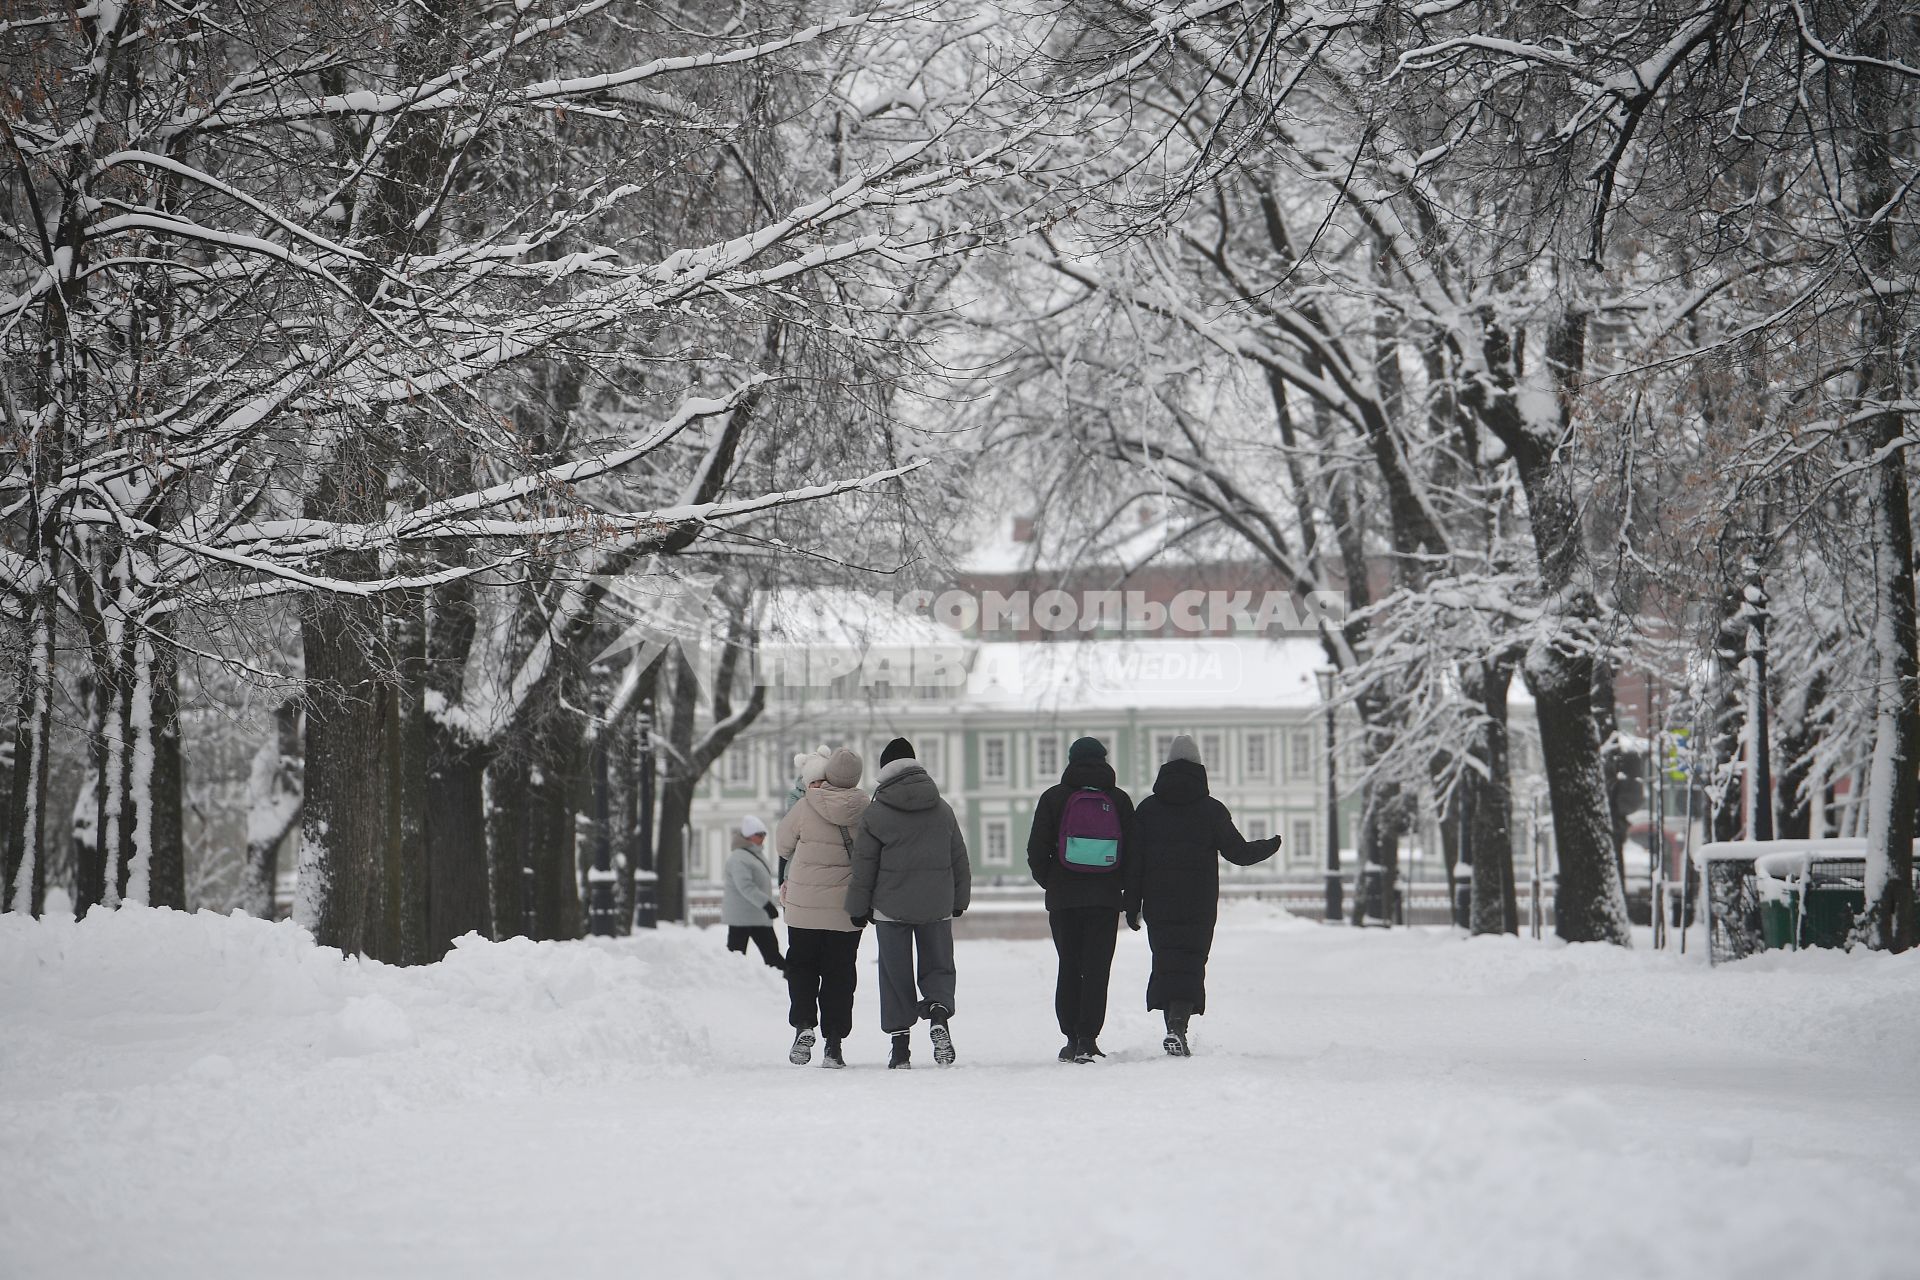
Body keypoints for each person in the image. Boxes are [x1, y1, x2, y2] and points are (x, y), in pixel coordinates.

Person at [1127, 735, 1280, 1056]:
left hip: (1159, 901)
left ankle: (1171, 1027)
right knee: (1191, 963)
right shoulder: (1211, 810)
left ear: (1165, 767)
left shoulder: (1148, 809)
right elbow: (1238, 852)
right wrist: (1269, 845)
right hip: (1198, 902)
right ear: (1200, 768)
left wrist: (1131, 904)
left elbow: (1134, 862)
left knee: (1166, 960)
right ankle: (1178, 1027)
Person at [846, 737, 970, 1070]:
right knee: (939, 965)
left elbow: (864, 866)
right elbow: (959, 857)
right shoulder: (942, 808)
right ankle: (939, 1013)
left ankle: (901, 1049)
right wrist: (960, 899)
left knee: (894, 973)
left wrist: (857, 907)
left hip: (891, 907)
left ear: (885, 771)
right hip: (937, 904)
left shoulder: (876, 813)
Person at [1026, 736, 1136, 1064]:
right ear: (1104, 760)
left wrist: (1053, 882)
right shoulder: (1118, 799)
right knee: (1097, 968)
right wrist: (1125, 893)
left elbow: (1036, 849)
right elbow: (1133, 853)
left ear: (1071, 760)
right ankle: (1089, 1039)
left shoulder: (1054, 797)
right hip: (1104, 898)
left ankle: (1071, 1039)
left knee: (1070, 965)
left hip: (1064, 898)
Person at [775, 747, 869, 1069]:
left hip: (804, 907)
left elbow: (783, 845)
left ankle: (803, 1025)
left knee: (802, 967)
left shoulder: (805, 805)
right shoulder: (866, 810)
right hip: (845, 910)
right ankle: (834, 1044)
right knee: (840, 975)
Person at [720, 815, 784, 971]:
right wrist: (767, 904)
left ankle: (785, 979)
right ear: (748, 836)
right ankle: (732, 984)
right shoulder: (739, 858)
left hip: (756, 916)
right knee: (735, 958)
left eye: (764, 834)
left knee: (772, 956)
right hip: (742, 918)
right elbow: (746, 886)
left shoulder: (754, 855)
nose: (763, 838)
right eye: (759, 834)